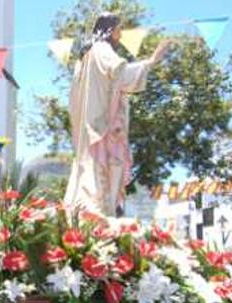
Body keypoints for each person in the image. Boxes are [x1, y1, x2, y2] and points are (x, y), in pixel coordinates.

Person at [64, 13, 172, 217]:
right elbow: (121, 76)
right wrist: (151, 62)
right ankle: (98, 214)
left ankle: (91, 211)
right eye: (118, 29)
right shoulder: (101, 50)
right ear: (110, 30)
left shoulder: (85, 58)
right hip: (102, 128)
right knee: (105, 170)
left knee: (94, 168)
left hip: (91, 126)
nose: (121, 35)